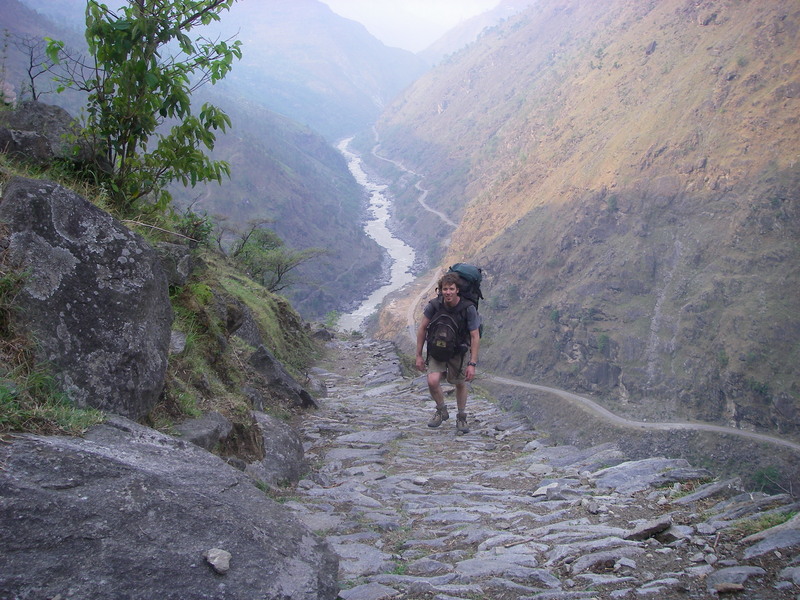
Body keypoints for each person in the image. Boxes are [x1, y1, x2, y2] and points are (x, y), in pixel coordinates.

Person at [415, 272, 480, 433]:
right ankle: (441, 410)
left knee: (459, 383)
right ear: (440, 290)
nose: (448, 292)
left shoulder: (468, 309)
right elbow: (422, 328)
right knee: (432, 381)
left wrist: (472, 363)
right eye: (445, 289)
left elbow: (474, 335)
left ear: (457, 290)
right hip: (436, 349)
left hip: (458, 351)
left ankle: (462, 416)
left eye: (451, 289)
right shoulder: (434, 305)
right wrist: (418, 355)